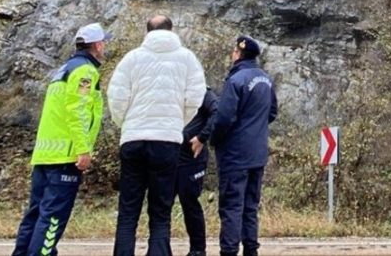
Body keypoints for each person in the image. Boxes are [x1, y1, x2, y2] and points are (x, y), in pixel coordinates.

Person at [108, 15, 206, 256]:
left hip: (133, 139)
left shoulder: (131, 58)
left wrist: (127, 124)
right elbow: (195, 98)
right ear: (172, 30)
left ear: (147, 31)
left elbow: (117, 98)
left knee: (128, 210)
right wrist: (176, 123)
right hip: (167, 142)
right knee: (161, 211)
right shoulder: (187, 58)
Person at [12, 22, 110, 256]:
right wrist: (83, 149)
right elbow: (77, 111)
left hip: (45, 155)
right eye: (103, 43)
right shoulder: (85, 72)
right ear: (97, 45)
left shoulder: (63, 70)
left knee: (35, 214)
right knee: (52, 219)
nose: (104, 47)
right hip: (65, 155)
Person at [191, 36, 278, 256]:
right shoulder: (266, 79)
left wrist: (214, 140)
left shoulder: (236, 80)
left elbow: (224, 118)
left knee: (231, 206)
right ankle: (251, 250)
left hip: (235, 155)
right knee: (250, 207)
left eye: (233, 51)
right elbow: (272, 112)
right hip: (258, 153)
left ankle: (229, 251)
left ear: (238, 54)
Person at [175, 86, 219, 256]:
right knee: (161, 205)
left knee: (189, 202)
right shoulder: (171, 86)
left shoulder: (203, 92)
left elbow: (217, 112)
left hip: (193, 159)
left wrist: (202, 137)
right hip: (169, 157)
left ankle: (198, 250)